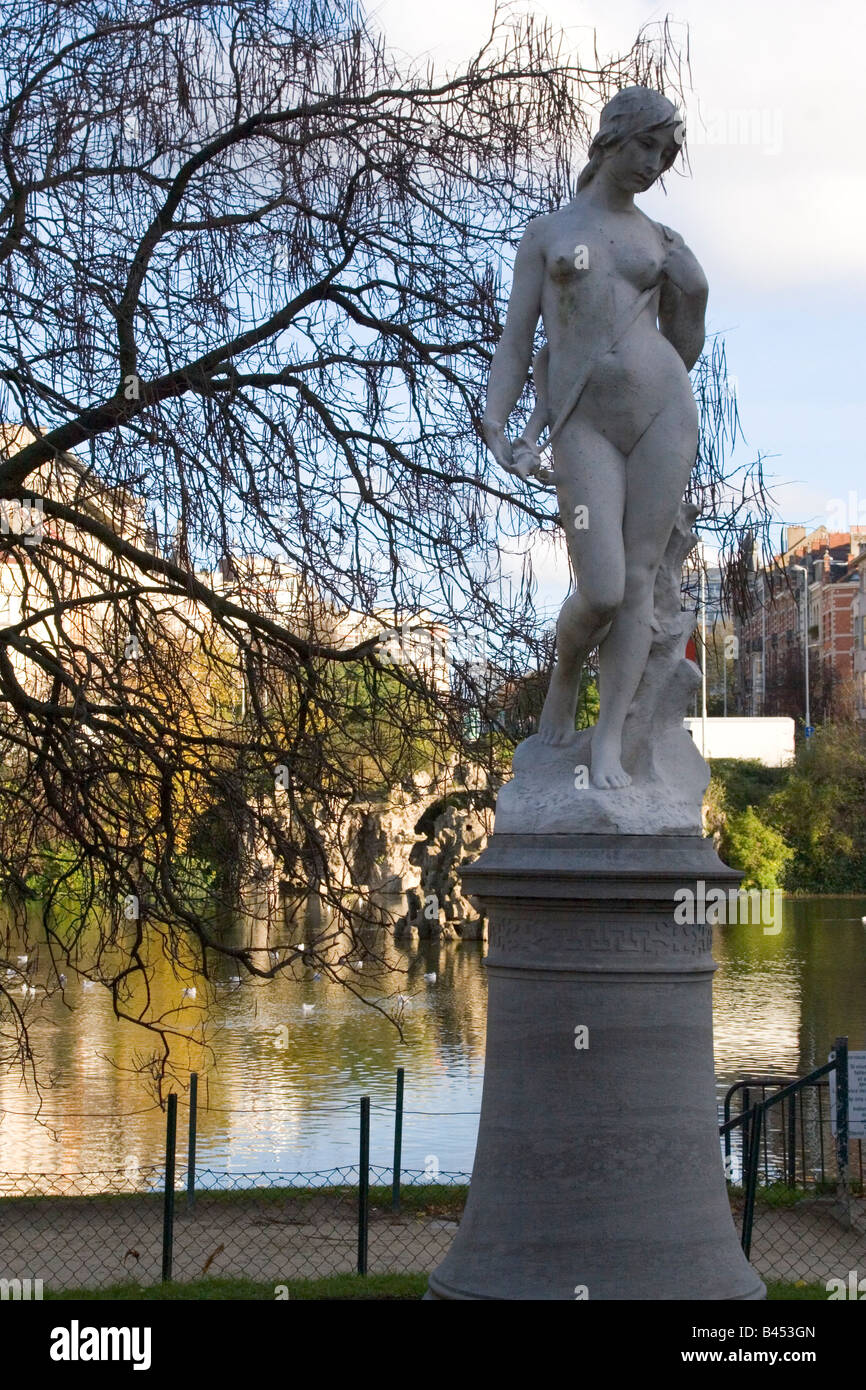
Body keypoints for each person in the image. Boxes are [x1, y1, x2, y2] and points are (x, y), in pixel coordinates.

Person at [482, 87, 708, 789]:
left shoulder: (663, 243)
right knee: (603, 586)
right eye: (646, 145)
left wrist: (694, 294)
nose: (654, 164)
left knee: (639, 581)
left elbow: (686, 348)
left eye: (665, 155)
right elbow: (518, 341)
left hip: (663, 412)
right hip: (585, 424)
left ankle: (607, 740)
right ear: (613, 136)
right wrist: (496, 421)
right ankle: (566, 666)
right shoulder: (548, 234)